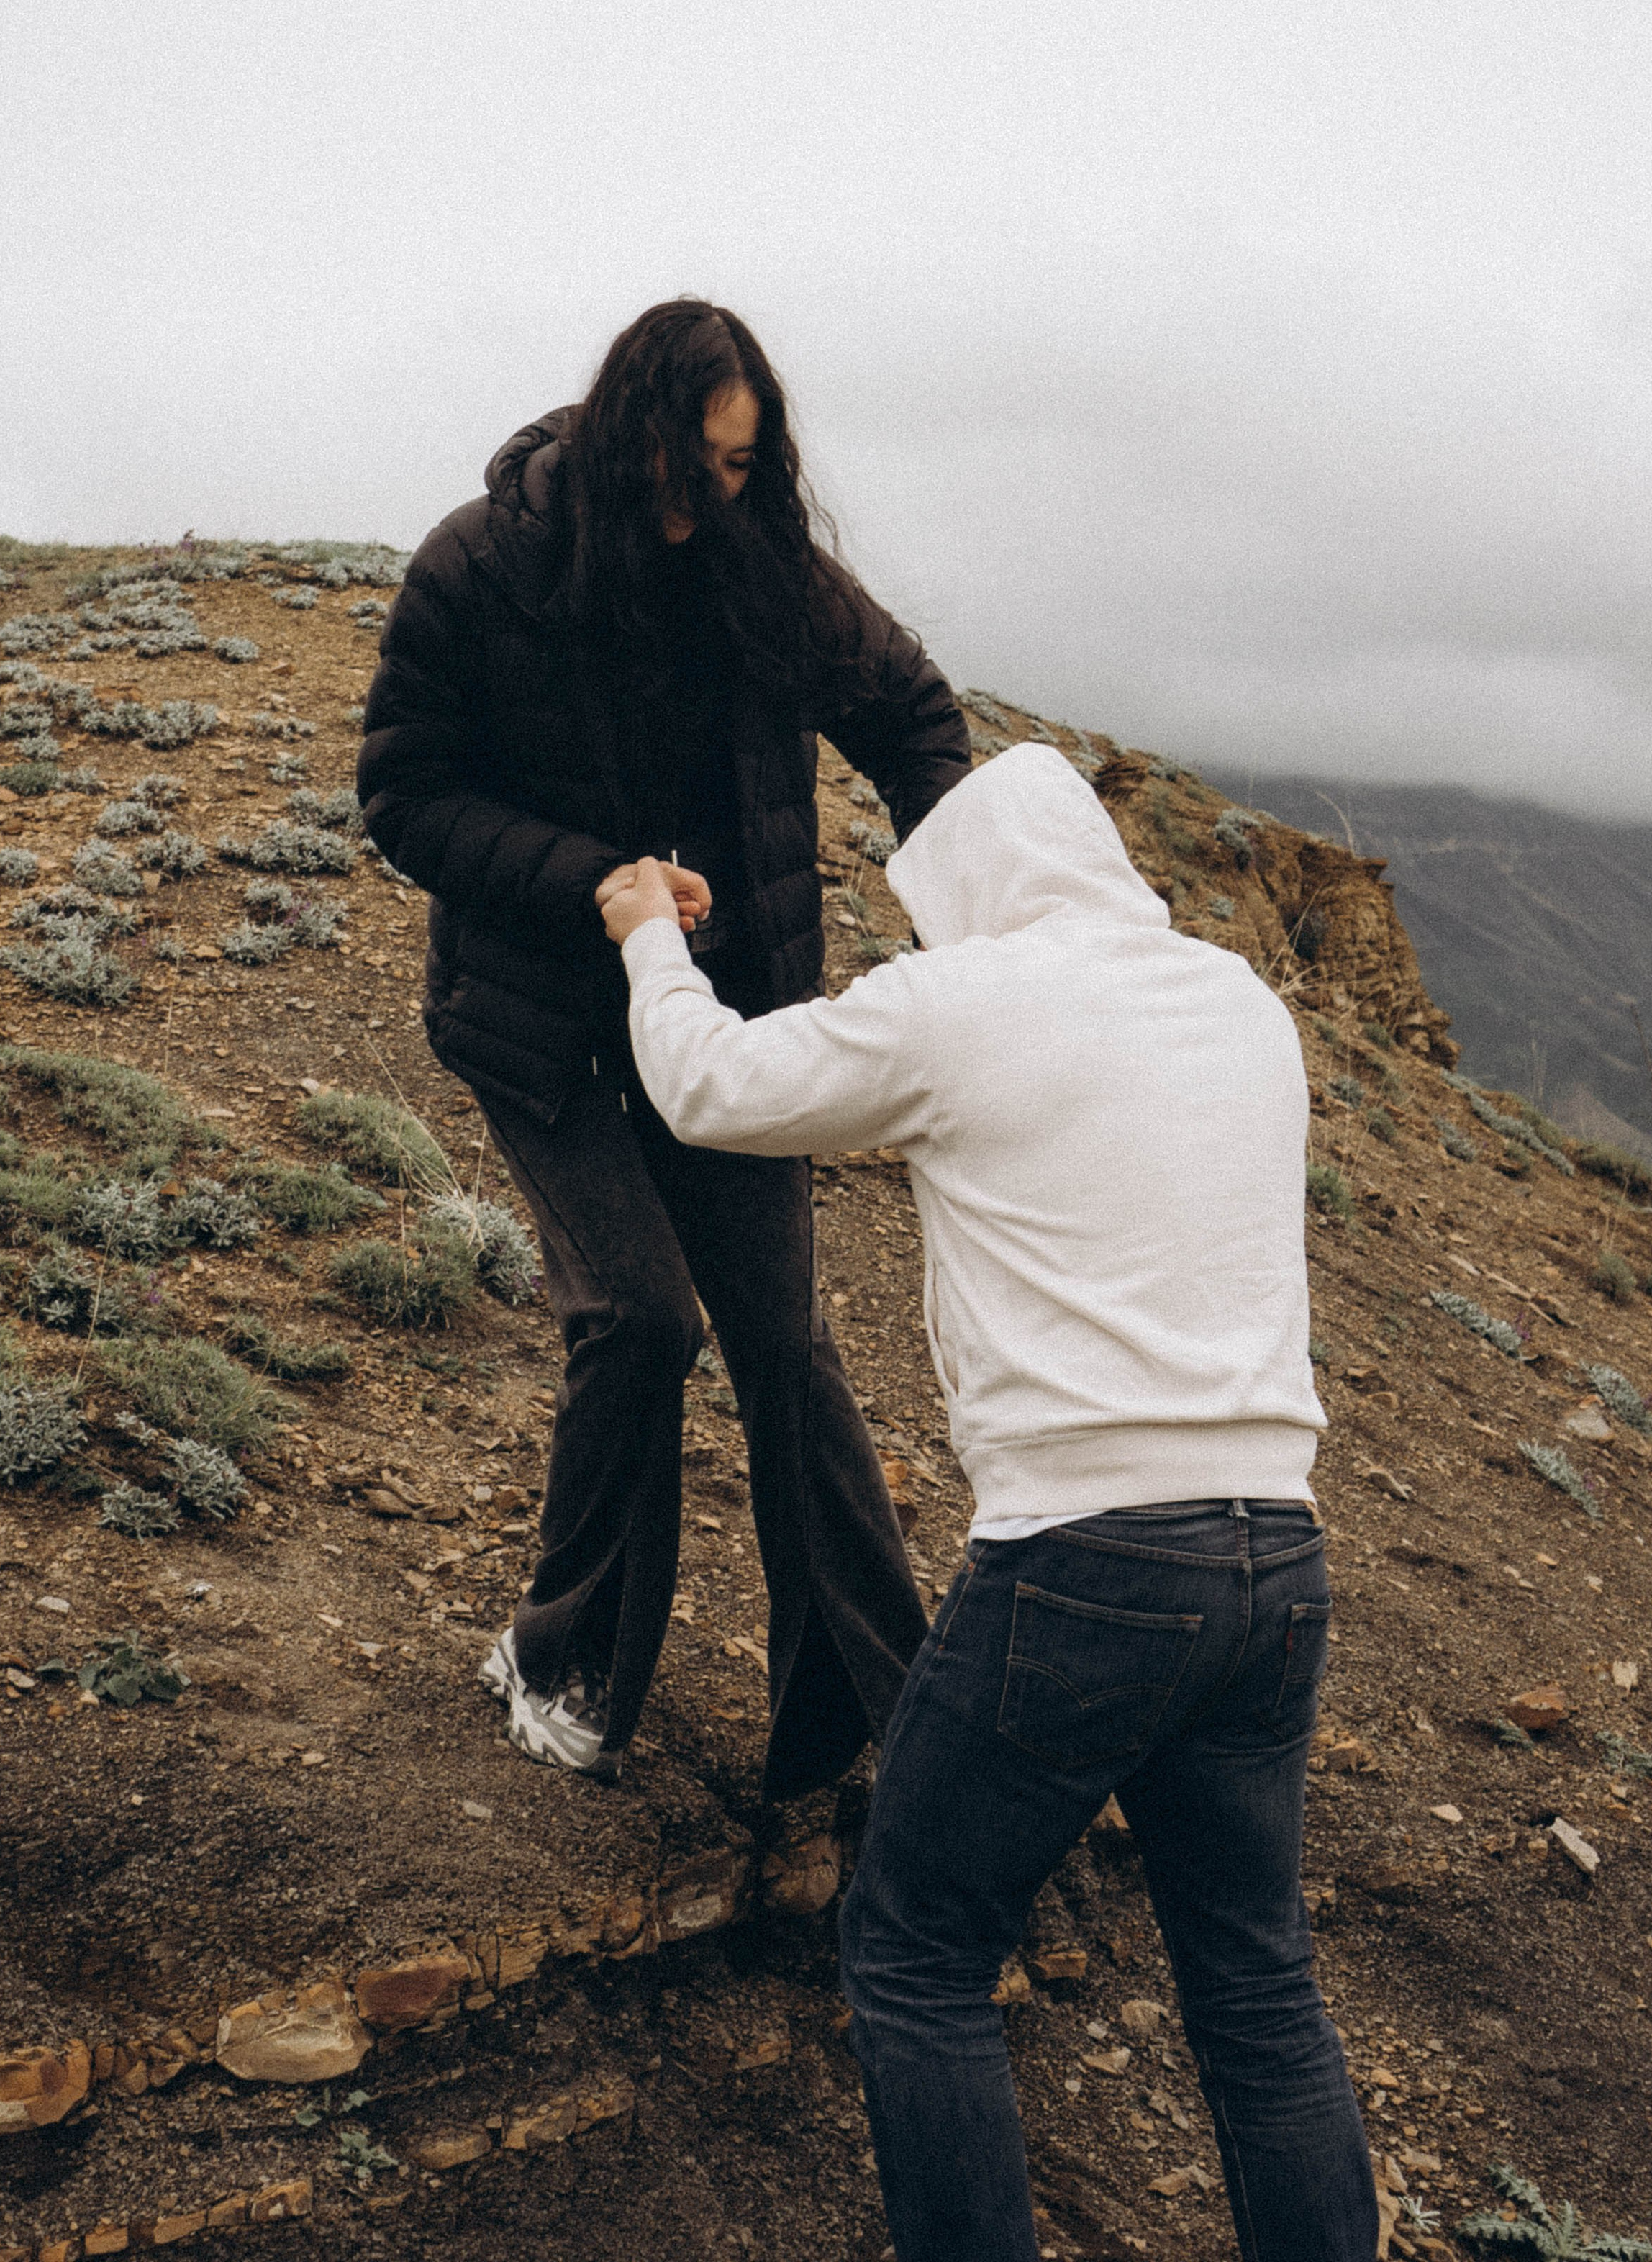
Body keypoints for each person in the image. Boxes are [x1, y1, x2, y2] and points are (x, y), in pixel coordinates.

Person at [597, 741, 1378, 2262]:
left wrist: (647, 933)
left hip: (1086, 1564)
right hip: (1275, 1557)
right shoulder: (1237, 1004)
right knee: (1255, 1984)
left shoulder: (965, 1002)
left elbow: (706, 1087)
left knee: (914, 1953)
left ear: (965, 891)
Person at [357, 297, 970, 1799]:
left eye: (742, 468)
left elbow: (912, 715)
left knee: (784, 1347)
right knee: (640, 1322)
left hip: (736, 1025)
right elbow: (404, 794)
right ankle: (554, 1652)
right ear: (626, 435)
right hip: (547, 1024)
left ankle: (882, 1718)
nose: (711, 501)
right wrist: (595, 882)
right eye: (690, 468)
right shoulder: (483, 567)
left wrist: (979, 896)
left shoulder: (768, 571)